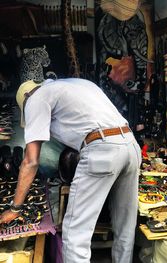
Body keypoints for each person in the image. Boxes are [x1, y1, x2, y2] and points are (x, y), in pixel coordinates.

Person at [0, 78, 141, 263]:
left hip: (102, 150)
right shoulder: (75, 85)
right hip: (131, 146)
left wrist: (15, 208)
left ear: (26, 98)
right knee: (125, 228)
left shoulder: (36, 98)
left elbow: (30, 161)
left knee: (76, 236)